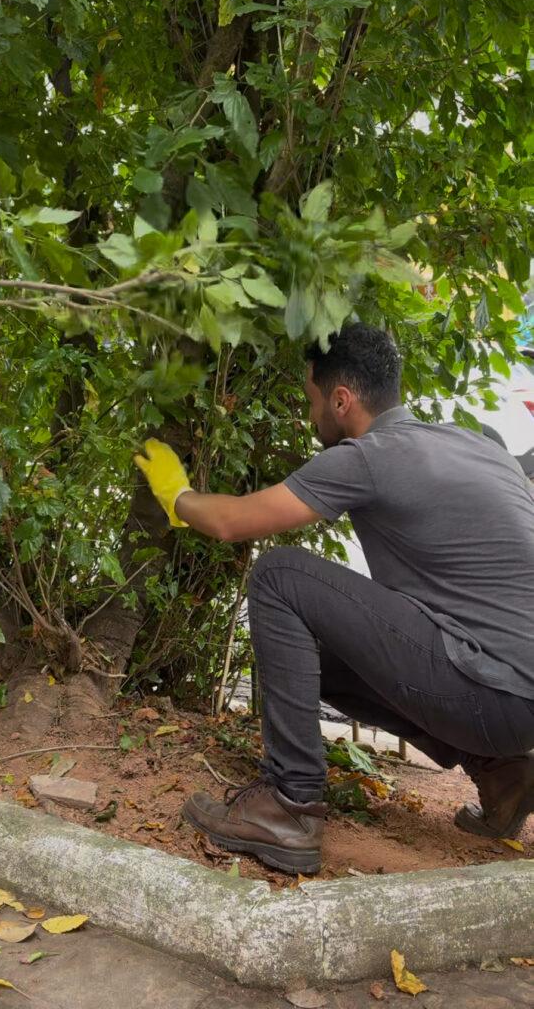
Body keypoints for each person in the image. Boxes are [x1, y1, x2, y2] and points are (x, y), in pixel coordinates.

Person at [135, 322, 534, 875]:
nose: (310, 414)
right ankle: (504, 773)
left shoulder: (369, 456)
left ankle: (290, 806)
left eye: (312, 399)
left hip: (486, 689)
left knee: (278, 575)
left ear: (342, 399)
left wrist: (176, 494)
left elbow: (231, 522)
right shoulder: (477, 442)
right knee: (312, 664)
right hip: (516, 703)